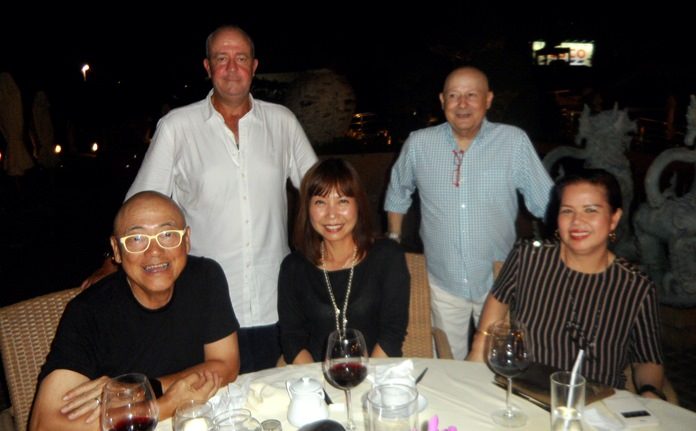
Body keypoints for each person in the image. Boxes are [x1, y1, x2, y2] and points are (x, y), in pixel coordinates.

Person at [83, 25, 317, 373]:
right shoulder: (177, 127)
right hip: (205, 309)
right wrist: (113, 262)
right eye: (222, 58)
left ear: (254, 66)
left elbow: (321, 193)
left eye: (241, 58)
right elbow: (139, 208)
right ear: (208, 67)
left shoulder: (282, 122)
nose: (232, 67)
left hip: (276, 302)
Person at [30, 191, 240, 431]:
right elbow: (43, 425)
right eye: (137, 238)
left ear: (186, 240)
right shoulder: (87, 312)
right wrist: (163, 405)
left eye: (167, 234)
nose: (155, 251)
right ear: (116, 250)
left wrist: (138, 390)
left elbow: (225, 364)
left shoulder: (205, 277)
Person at [384, 66, 553, 359]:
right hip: (443, 280)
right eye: (454, 95)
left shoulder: (513, 142)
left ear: (488, 99)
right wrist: (393, 240)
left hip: (499, 282)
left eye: (472, 95)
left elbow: (547, 202)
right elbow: (398, 191)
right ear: (442, 100)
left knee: (497, 364)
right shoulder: (419, 143)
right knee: (448, 365)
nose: (462, 104)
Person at [468, 169, 665, 396]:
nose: (577, 221)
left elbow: (648, 360)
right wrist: (473, 376)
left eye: (590, 210)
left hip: (597, 401)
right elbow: (487, 330)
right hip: (524, 391)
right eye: (567, 211)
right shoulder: (528, 258)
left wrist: (650, 392)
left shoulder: (636, 286)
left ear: (614, 218)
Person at [278, 158, 410, 363]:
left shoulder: (387, 257)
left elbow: (392, 333)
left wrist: (367, 377)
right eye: (320, 202)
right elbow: (292, 339)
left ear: (358, 205)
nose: (332, 214)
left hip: (376, 372)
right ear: (307, 208)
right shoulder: (293, 268)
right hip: (316, 375)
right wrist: (316, 380)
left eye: (342, 201)